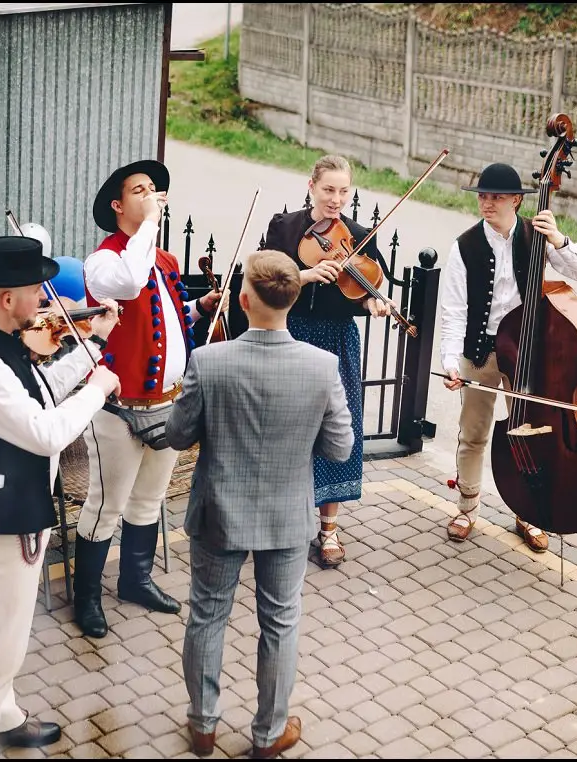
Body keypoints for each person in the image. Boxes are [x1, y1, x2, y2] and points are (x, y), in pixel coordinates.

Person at [165, 250, 353, 759]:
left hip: (219, 511)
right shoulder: (322, 366)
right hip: (287, 514)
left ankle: (202, 727)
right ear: (291, 300)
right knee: (280, 621)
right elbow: (339, 448)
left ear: (244, 300)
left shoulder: (208, 360)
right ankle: (269, 734)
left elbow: (178, 435)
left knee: (206, 615)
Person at [0, 235, 122, 758]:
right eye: (35, 292)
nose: (46, 300)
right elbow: (45, 432)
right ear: (6, 299)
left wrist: (95, 347)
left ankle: (8, 717)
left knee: (6, 633)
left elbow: (40, 392)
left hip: (15, 509)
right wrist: (98, 389)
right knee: (0, 644)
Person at [72, 159, 223, 639]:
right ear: (118, 206)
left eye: (155, 189)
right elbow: (130, 284)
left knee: (148, 501)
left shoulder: (166, 262)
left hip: (168, 403)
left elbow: (171, 328)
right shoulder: (105, 261)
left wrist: (199, 308)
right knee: (105, 505)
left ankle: (135, 580)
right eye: (140, 190)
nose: (152, 194)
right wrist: (151, 225)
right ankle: (87, 597)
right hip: (119, 409)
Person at [439, 162, 577, 552]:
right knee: (473, 432)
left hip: (526, 350)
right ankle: (467, 506)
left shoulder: (536, 235)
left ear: (516, 200)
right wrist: (449, 360)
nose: (487, 203)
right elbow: (454, 311)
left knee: (530, 433)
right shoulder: (464, 245)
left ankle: (528, 512)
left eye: (495, 197)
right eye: (482, 196)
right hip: (479, 351)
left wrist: (559, 240)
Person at [262, 154, 393, 567]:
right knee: (286, 428)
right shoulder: (283, 229)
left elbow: (370, 288)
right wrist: (300, 277)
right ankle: (279, 520)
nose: (336, 199)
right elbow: (261, 278)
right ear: (311, 186)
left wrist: (374, 304)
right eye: (328, 190)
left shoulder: (359, 236)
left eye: (343, 191)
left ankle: (329, 529)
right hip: (291, 335)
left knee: (338, 426)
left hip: (336, 340)